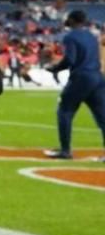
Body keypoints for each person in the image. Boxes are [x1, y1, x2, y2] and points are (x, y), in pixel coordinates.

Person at [42, 9, 104, 160]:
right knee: (102, 116)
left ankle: (65, 150)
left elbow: (70, 59)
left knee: (65, 111)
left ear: (72, 20)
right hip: (97, 77)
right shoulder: (92, 36)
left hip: (81, 78)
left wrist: (55, 68)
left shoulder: (70, 36)